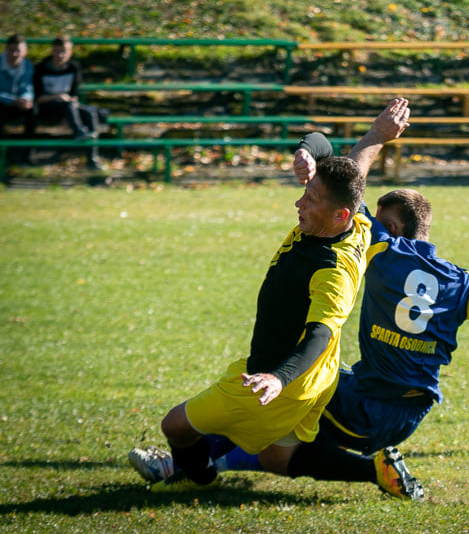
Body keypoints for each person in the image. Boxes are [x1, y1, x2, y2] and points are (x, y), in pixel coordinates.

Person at [130, 103, 469, 500]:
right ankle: (197, 463)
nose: (368, 220)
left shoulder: (378, 244)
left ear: (392, 229)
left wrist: (376, 137)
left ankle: (185, 467)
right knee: (274, 432)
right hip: (410, 406)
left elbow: (352, 185)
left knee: (272, 438)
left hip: (365, 401)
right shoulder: (463, 283)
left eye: (376, 218)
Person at [147, 100, 411, 496]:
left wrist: (276, 377)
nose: (299, 203)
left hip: (276, 379)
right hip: (317, 378)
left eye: (311, 199)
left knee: (175, 427)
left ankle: (197, 478)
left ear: (339, 214)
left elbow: (320, 332)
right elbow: (350, 168)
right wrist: (319, 147)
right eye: (306, 192)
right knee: (276, 459)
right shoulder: (354, 223)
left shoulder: (332, 270)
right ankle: (377, 472)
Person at [33, 35, 103, 169]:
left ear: (70, 53)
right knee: (68, 105)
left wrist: (69, 112)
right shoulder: (41, 68)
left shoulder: (73, 68)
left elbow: (74, 96)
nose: (60, 55)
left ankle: (92, 158)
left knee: (90, 113)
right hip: (46, 108)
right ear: (52, 51)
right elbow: (38, 98)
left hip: (68, 107)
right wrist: (57, 97)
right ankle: (78, 131)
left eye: (63, 51)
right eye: (57, 51)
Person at [0, 34, 36, 164]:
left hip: (18, 104)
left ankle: (27, 153)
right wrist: (13, 100)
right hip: (3, 104)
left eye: (18, 51)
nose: (15, 54)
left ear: (24, 52)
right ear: (6, 50)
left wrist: (26, 99)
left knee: (33, 111)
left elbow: (27, 86)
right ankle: (3, 155)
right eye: (11, 50)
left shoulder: (28, 66)